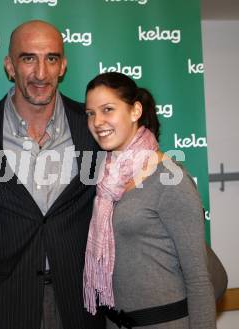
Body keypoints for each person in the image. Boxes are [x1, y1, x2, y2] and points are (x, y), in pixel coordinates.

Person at [0, 20, 105, 329]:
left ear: (62, 66)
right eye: (28, 58)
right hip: (3, 306)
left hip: (80, 305)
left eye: (51, 58)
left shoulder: (93, 128)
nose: (41, 73)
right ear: (9, 66)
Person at [82, 72, 216, 328]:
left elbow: (198, 279)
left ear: (135, 111)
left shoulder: (170, 179)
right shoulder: (104, 178)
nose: (98, 121)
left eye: (108, 109)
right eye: (90, 113)